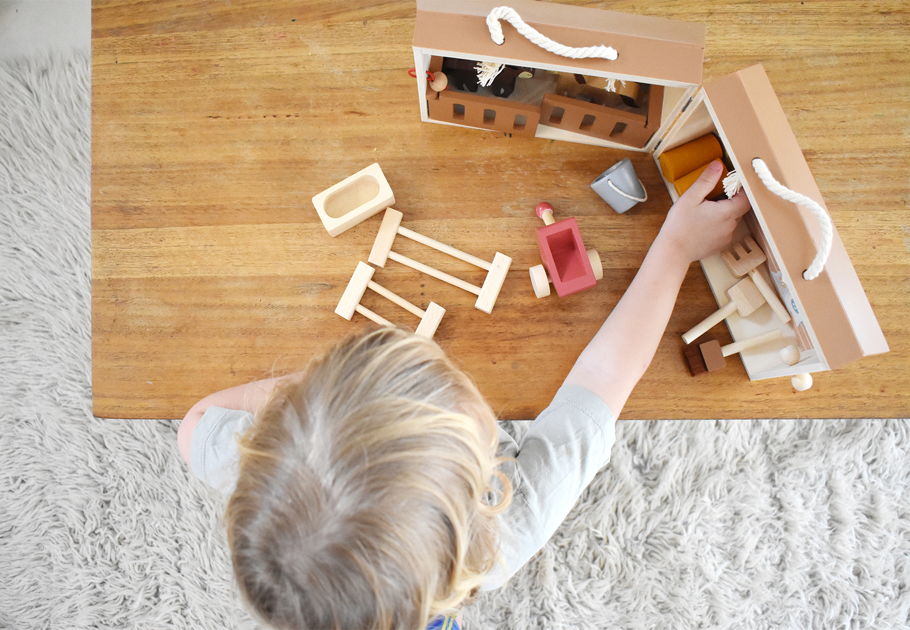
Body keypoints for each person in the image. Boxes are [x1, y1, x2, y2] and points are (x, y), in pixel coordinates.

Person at [178, 160, 750, 630]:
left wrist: (306, 401)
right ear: (481, 493)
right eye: (462, 411)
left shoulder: (255, 481)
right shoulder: (507, 527)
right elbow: (602, 381)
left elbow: (196, 421)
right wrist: (675, 248)